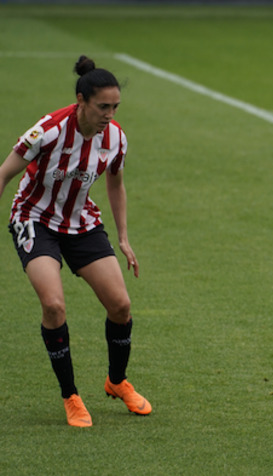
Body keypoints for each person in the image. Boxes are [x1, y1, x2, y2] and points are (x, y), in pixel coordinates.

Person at [0, 55, 151, 427]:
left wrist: (125, 237)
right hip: (35, 219)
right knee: (54, 306)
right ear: (81, 100)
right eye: (103, 106)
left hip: (81, 223)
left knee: (120, 305)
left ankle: (116, 382)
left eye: (115, 107)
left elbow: (116, 184)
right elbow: (4, 174)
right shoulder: (49, 130)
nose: (110, 114)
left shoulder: (115, 138)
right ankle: (70, 396)